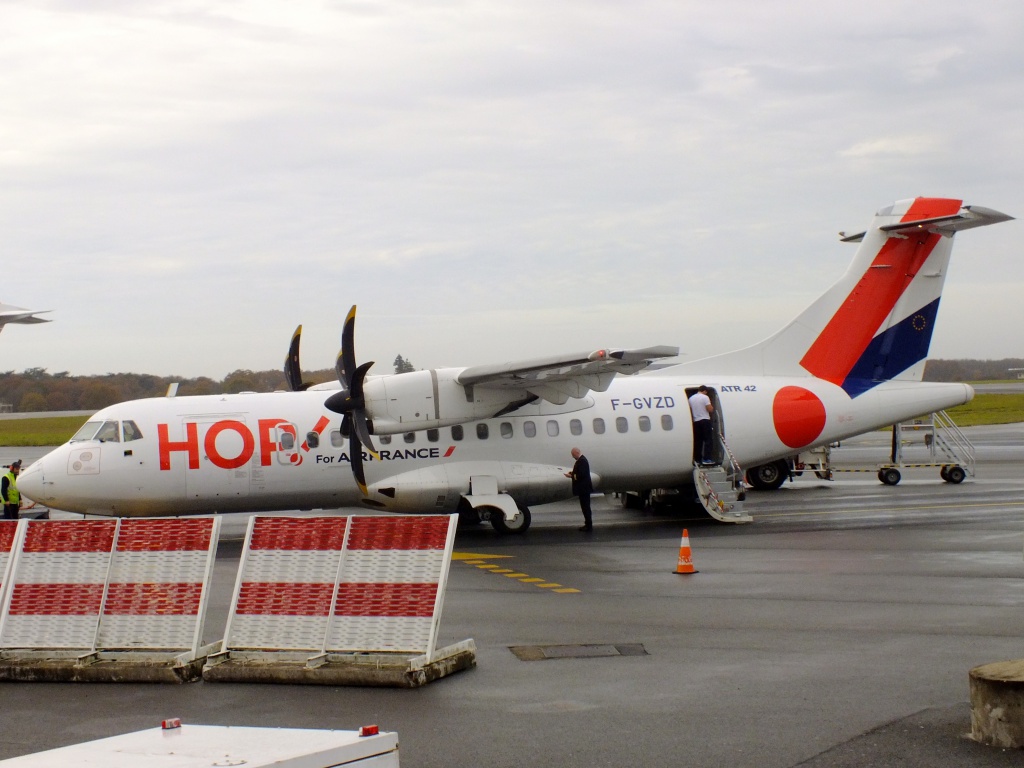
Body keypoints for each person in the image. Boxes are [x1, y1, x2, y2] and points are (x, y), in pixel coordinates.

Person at [564, 447, 594, 531]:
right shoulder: (581, 460)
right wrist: (573, 473)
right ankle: (588, 524)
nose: (573, 457)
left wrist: (571, 476)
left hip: (584, 489)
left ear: (577, 452)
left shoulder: (582, 461)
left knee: (586, 507)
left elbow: (581, 474)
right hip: (584, 489)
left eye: (573, 455)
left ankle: (588, 525)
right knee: (585, 507)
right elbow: (579, 472)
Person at [688, 386, 715, 465]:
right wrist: (712, 408)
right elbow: (709, 409)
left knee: (698, 441)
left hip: (696, 421)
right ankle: (707, 458)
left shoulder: (691, 398)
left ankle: (697, 459)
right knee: (708, 440)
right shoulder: (705, 397)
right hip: (705, 420)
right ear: (705, 391)